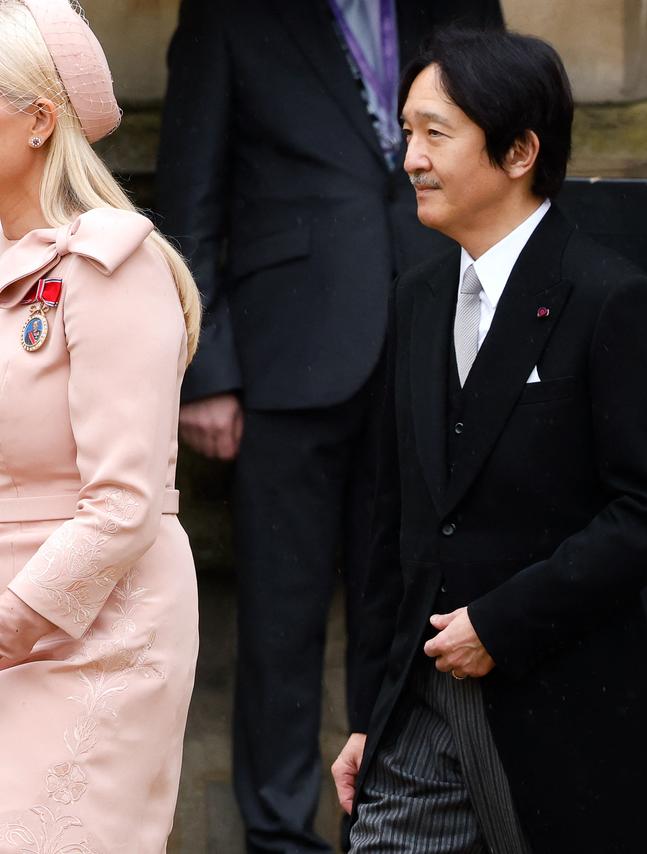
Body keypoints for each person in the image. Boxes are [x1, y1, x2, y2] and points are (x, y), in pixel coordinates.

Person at [330, 28, 647, 853]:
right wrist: (370, 719)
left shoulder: (609, 298)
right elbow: (393, 526)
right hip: (420, 714)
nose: (411, 157)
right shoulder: (418, 296)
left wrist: (502, 621)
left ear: (520, 149)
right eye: (408, 131)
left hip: (561, 709)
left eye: (435, 133)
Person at [152, 1, 501, 849]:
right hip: (287, 355)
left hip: (436, 336)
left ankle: (393, 829)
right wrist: (206, 370)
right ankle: (279, 836)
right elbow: (187, 196)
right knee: (279, 617)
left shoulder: (457, 3)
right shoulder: (231, 16)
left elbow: (512, 159)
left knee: (413, 608)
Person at [0, 1, 202, 850]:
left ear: (38, 120)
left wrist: (6, 622)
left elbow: (121, 505)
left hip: (96, 632)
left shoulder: (112, 263)